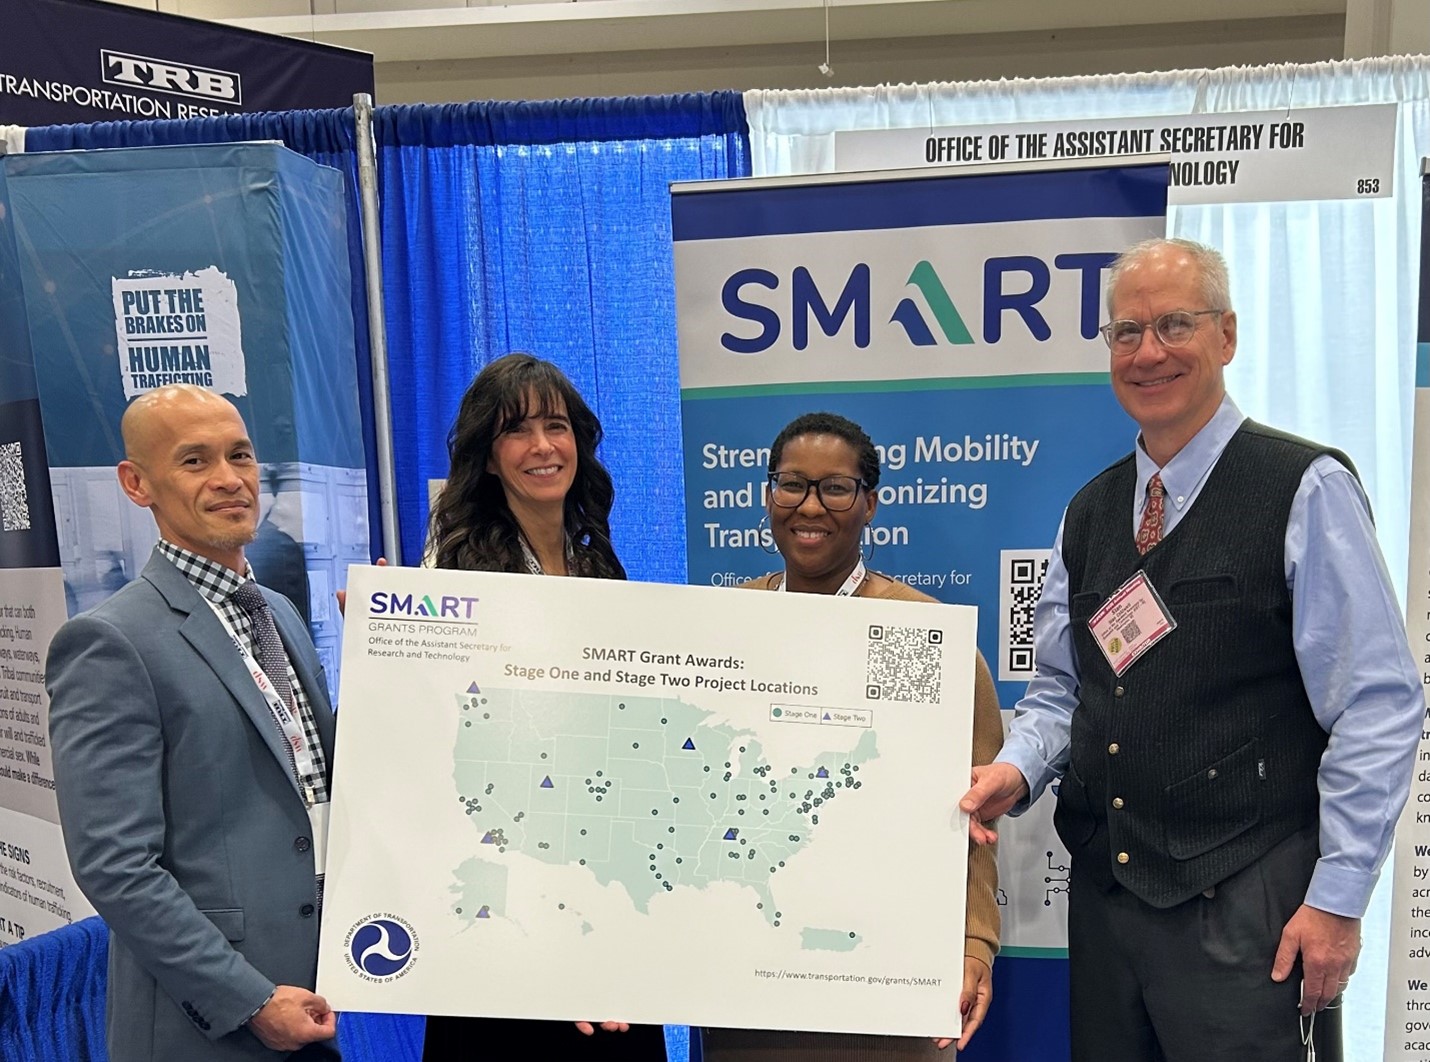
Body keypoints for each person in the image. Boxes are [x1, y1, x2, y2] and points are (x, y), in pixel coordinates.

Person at [959, 237, 1423, 1062]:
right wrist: (1017, 770)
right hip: (1108, 906)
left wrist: (1340, 899)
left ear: (1228, 336)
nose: (1149, 352)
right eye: (1126, 332)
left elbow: (1377, 704)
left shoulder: (1305, 488)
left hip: (1252, 906)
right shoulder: (1090, 513)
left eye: (1175, 324)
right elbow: (1065, 691)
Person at [46, 384, 339, 1062]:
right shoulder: (111, 641)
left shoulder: (280, 614)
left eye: (239, 455)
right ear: (136, 483)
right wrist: (250, 999)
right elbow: (116, 866)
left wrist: (393, 663)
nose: (230, 479)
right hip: (208, 1023)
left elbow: (310, 778)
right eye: (194, 461)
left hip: (315, 997)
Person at [702, 411, 1003, 1061]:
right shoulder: (723, 628)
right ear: (766, 496)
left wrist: (975, 942)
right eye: (791, 485)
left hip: (891, 990)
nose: (810, 506)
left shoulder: (926, 635)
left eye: (835, 488)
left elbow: (977, 816)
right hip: (752, 988)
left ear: (869, 503)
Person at [422, 352, 665, 1060]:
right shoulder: (455, 582)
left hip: (605, 899)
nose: (542, 447)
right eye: (516, 431)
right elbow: (454, 772)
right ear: (488, 458)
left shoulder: (600, 569)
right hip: (507, 920)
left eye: (555, 426)